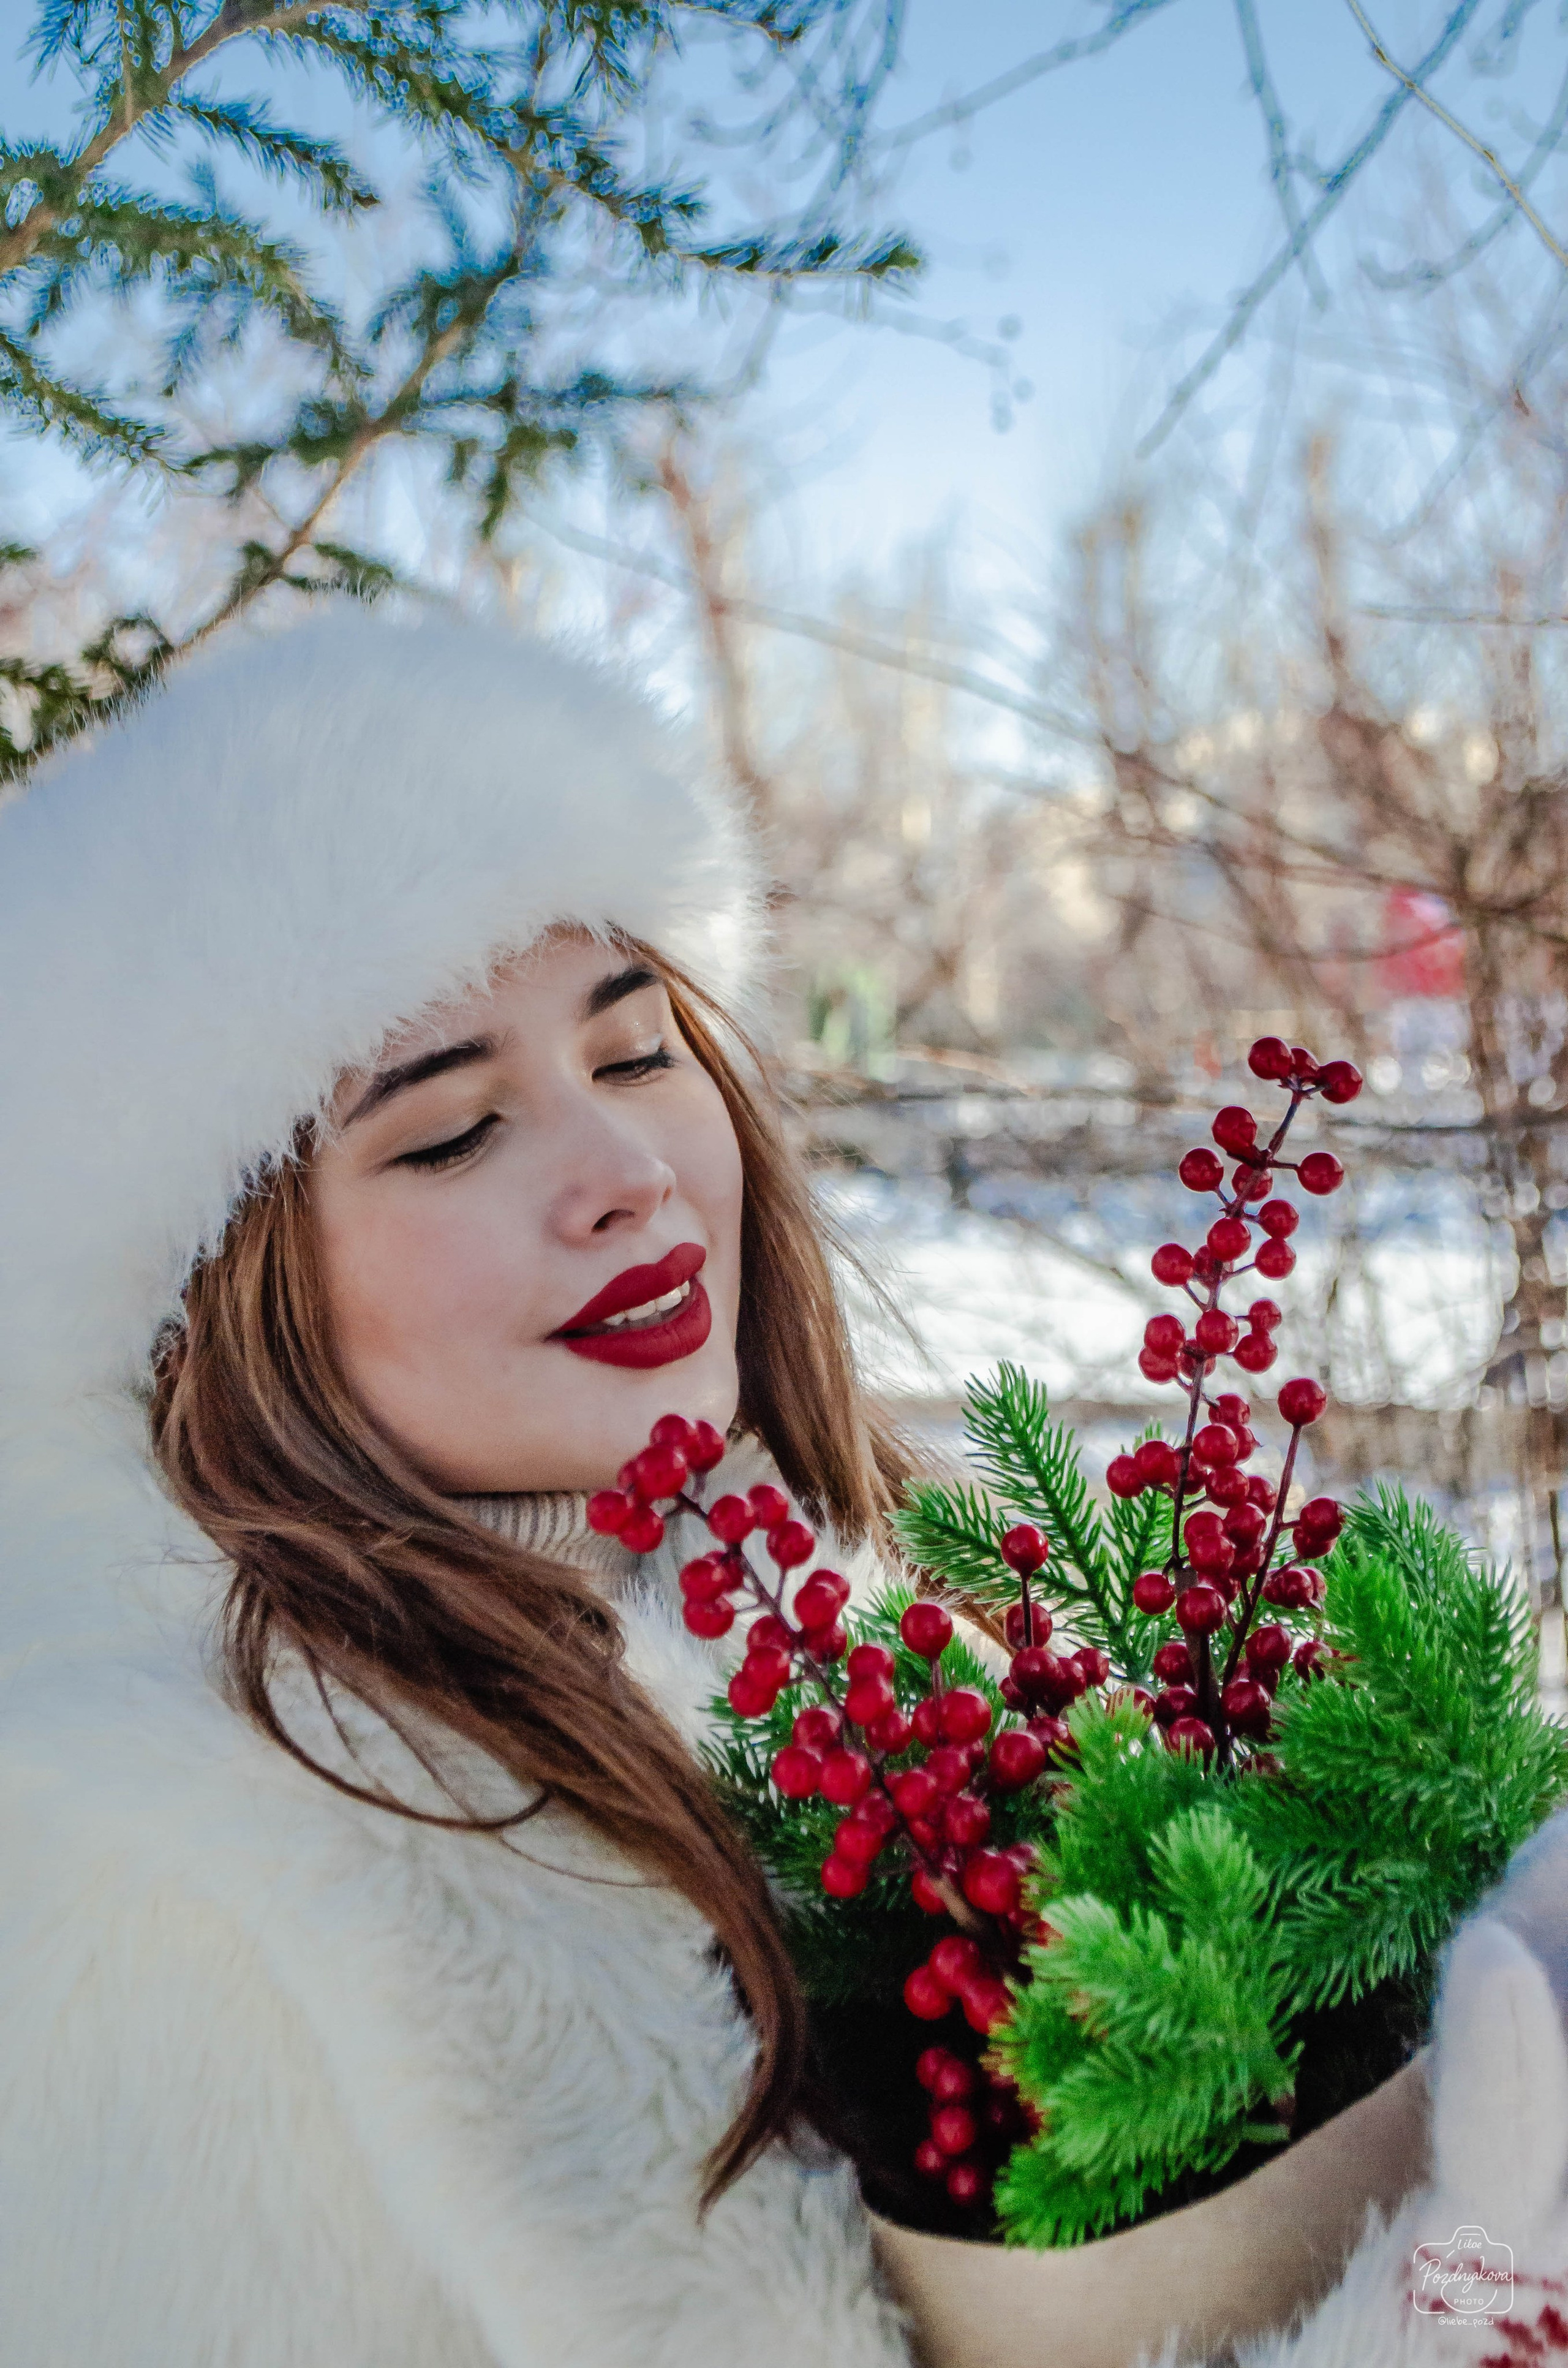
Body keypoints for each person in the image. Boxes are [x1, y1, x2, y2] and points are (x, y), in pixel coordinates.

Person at [0, 612, 1558, 2368]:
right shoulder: (163, 1901)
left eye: (637, 1047)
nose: (618, 1172)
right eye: (447, 1130)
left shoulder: (903, 1643)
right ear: (217, 1302)